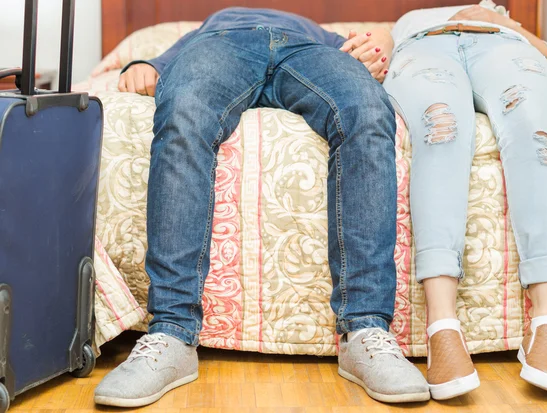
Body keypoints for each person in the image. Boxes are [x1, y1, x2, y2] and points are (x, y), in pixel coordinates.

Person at [94, 7, 430, 407]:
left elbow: (374, 47)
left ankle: (365, 329)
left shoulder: (321, 32)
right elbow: (156, 62)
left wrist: (374, 53)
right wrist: (143, 64)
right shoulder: (216, 20)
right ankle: (171, 332)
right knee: (183, 111)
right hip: (219, 48)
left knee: (369, 110)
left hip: (309, 52)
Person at [343, 0, 547, 400]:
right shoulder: (408, 21)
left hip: (503, 47)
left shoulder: (503, 18)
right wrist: (384, 41)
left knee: (536, 135)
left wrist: (504, 23)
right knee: (440, 129)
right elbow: (378, 48)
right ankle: (442, 326)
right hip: (424, 49)